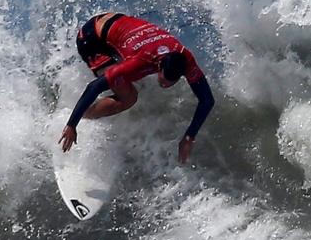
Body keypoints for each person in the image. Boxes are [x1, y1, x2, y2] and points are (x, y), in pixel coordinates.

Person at [58, 12, 215, 163]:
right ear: (159, 65)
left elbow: (207, 100)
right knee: (129, 98)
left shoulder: (185, 58)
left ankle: (89, 110)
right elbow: (94, 87)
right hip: (91, 39)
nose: (166, 85)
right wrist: (72, 125)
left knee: (131, 81)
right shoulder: (140, 61)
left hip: (113, 22)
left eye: (171, 82)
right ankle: (83, 118)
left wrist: (189, 137)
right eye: (164, 79)